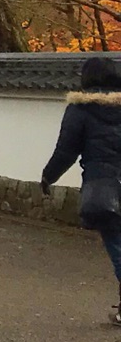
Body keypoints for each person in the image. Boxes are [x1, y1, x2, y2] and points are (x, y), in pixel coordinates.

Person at [42, 55, 121, 324]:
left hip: (103, 187)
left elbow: (66, 151)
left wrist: (48, 176)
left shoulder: (80, 110)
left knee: (117, 244)